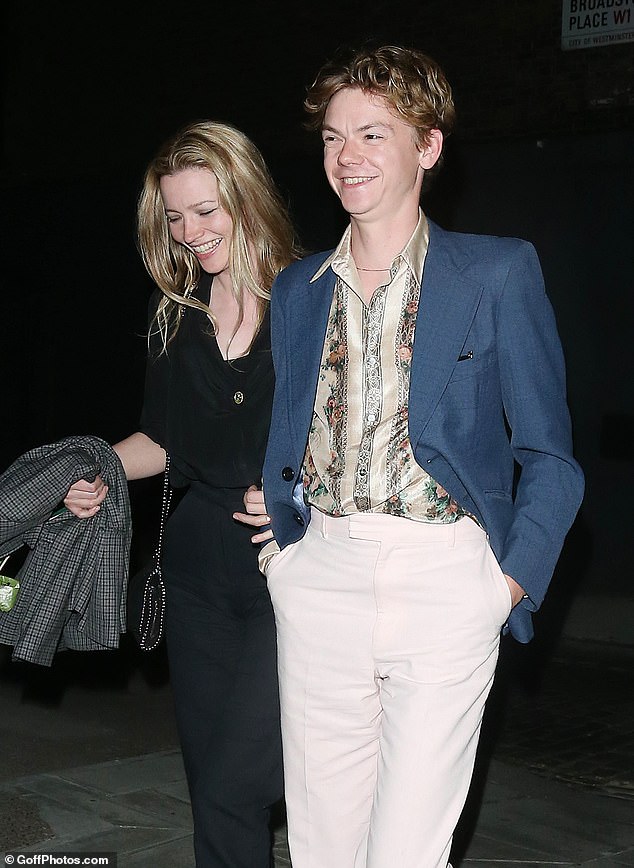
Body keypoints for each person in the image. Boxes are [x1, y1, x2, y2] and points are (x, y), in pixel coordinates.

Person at [236, 45, 585, 867]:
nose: (345, 157)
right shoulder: (298, 289)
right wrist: (285, 535)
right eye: (332, 138)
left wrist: (503, 587)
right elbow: (295, 431)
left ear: (428, 146)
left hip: (445, 583)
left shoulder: (496, 272)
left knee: (405, 852)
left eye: (372, 135)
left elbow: (550, 457)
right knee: (321, 848)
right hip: (320, 579)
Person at [64, 120, 300, 867]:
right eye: (174, 217)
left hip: (287, 568)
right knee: (211, 789)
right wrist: (93, 470)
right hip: (196, 571)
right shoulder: (174, 314)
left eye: (205, 210)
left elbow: (354, 432)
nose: (191, 233)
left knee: (243, 777)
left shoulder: (313, 297)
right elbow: (164, 441)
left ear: (246, 195)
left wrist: (301, 492)